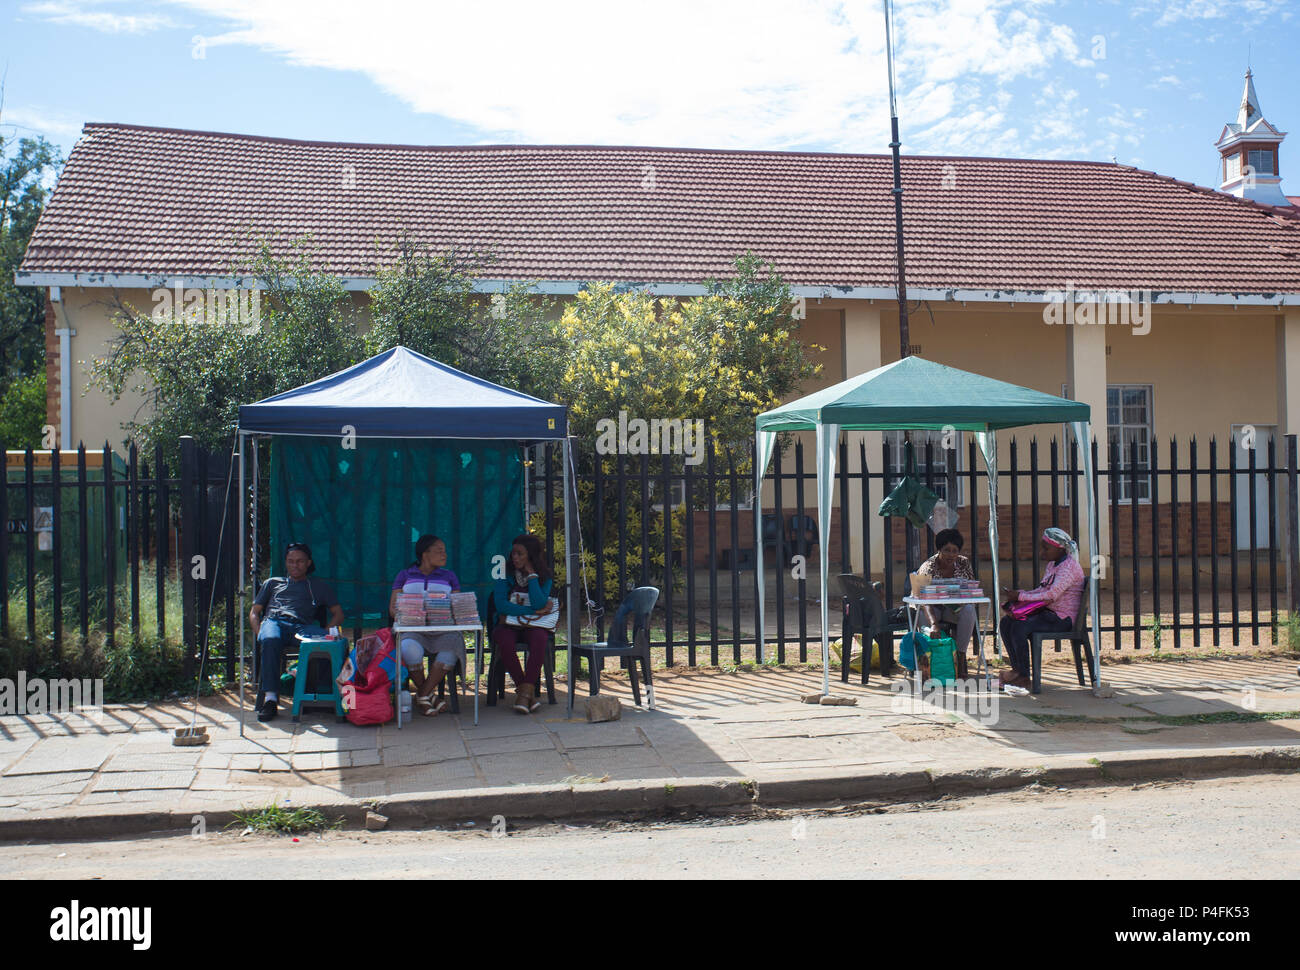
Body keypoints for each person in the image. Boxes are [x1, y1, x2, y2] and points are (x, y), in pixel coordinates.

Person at [249, 542, 344, 722]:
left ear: (308, 563)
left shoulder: (318, 586)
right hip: (274, 621)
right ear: (285, 562)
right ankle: (270, 699)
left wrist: (326, 631)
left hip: (301, 627)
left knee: (329, 644)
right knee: (270, 639)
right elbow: (254, 612)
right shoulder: (272, 583)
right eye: (291, 561)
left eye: (300, 561)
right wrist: (259, 631)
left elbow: (338, 614)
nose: (295, 565)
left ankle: (322, 693)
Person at [998, 526, 1085, 689]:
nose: (1042, 552)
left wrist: (1021, 597)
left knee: (1019, 626)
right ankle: (1017, 670)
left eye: (1046, 548)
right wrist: (1019, 594)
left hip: (1062, 618)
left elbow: (1051, 595)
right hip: (1048, 614)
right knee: (1006, 623)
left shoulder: (1069, 567)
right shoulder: (1053, 565)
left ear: (1059, 549)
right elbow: (1042, 589)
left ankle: (1023, 676)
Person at [390, 535, 466, 717]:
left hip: (443, 630)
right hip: (412, 629)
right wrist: (407, 616)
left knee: (450, 651)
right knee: (409, 649)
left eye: (445, 550)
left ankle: (423, 695)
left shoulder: (449, 576)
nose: (444, 554)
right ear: (425, 554)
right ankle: (429, 695)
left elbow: (457, 606)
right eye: (439, 550)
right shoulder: (405, 575)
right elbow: (393, 608)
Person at [491, 534, 556, 714]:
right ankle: (527, 692)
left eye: (520, 554)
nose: (515, 557)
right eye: (513, 554)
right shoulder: (504, 573)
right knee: (505, 641)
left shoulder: (544, 575)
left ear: (531, 556)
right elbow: (501, 605)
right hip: (508, 624)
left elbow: (539, 603)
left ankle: (523, 694)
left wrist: (532, 576)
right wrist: (533, 612)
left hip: (532, 626)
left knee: (540, 638)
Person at [917, 528, 978, 667]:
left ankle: (960, 658)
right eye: (946, 550)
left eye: (954, 550)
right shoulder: (928, 567)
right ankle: (929, 661)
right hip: (932, 609)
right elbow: (923, 601)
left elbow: (969, 589)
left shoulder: (964, 563)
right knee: (920, 615)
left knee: (969, 610)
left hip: (954, 609)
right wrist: (934, 624)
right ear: (939, 550)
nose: (951, 555)